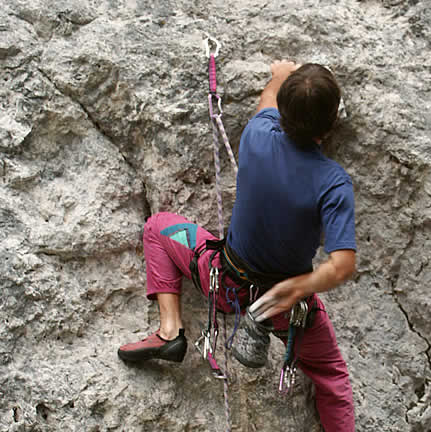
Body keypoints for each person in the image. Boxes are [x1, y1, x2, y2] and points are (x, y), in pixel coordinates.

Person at [118, 60, 357, 431]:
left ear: (285, 113)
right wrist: (297, 288)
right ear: (331, 125)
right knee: (331, 376)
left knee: (158, 228)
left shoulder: (257, 136)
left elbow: (270, 93)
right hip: (283, 307)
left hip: (221, 280)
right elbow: (341, 265)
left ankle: (169, 331)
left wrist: (280, 74)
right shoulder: (333, 183)